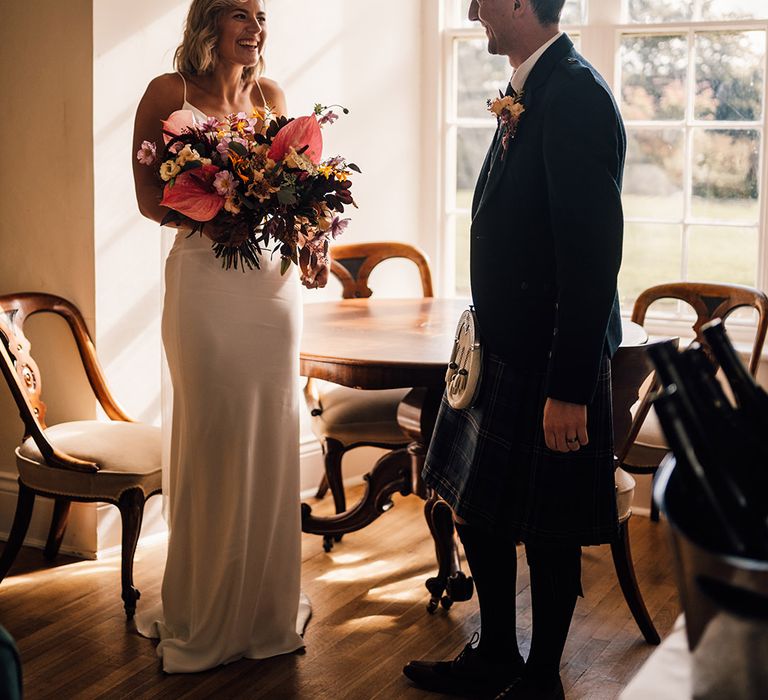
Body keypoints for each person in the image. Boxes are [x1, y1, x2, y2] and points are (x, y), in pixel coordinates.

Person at [404, 1, 625, 698]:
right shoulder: (535, 87)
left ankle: (541, 679)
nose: (471, 8)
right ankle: (497, 651)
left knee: (549, 528)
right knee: (479, 508)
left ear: (525, 2)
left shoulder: (575, 97)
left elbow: (591, 260)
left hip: (549, 358)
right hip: (502, 347)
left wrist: (568, 388)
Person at [132, 0, 315, 673]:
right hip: (205, 284)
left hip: (271, 286)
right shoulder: (167, 93)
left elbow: (293, 194)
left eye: (260, 16)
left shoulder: (271, 96)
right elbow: (150, 198)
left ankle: (265, 610)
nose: (255, 26)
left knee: (270, 433)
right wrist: (216, 214)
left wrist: (308, 236)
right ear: (208, 22)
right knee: (214, 436)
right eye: (239, 13)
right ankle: (202, 611)